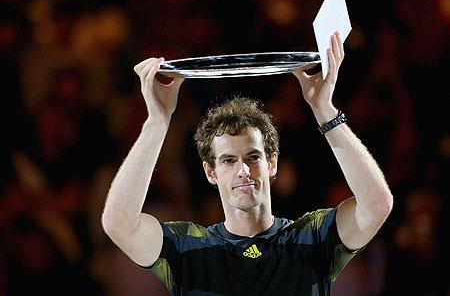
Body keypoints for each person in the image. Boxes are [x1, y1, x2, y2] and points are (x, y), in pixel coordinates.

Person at [101, 32, 393, 295]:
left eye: (253, 157)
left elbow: (377, 204)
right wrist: (157, 122)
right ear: (210, 172)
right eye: (228, 160)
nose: (243, 170)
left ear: (272, 163)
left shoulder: (310, 239)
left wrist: (324, 109)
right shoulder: (190, 248)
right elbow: (118, 223)